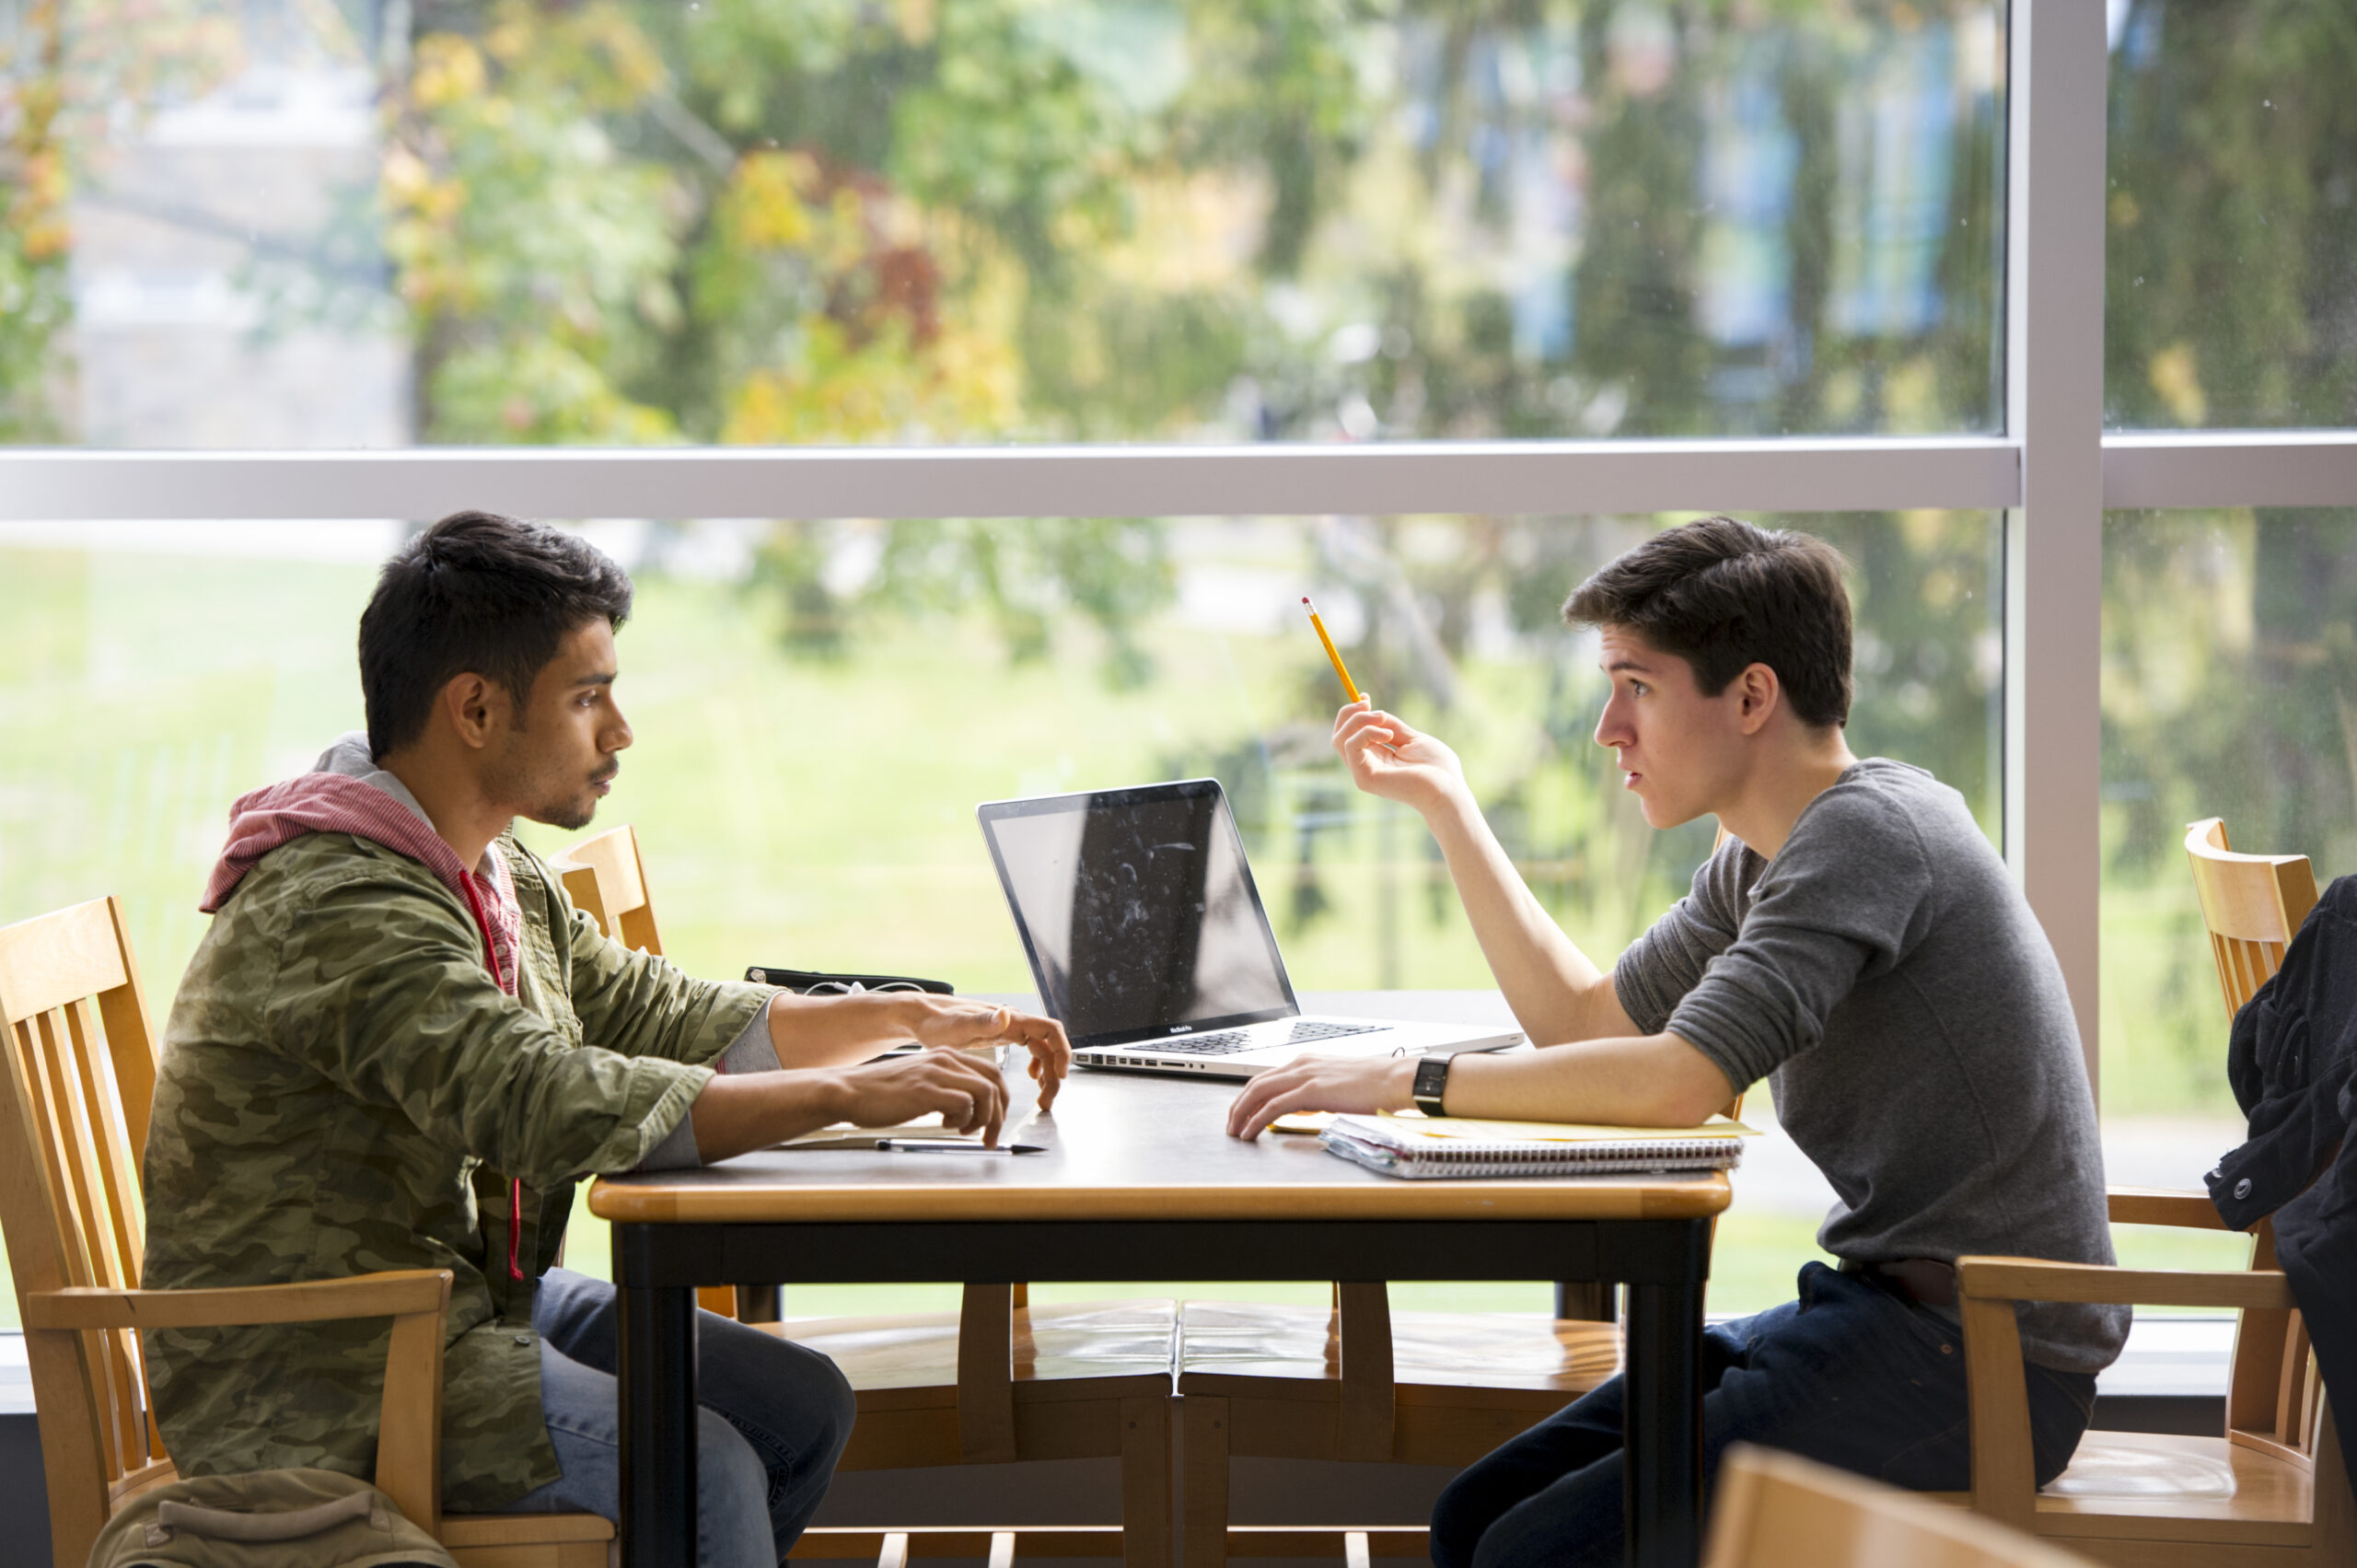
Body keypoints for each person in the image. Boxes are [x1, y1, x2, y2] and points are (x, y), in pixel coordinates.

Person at [141, 510, 1072, 1568]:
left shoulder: (481, 863)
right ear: (477, 709)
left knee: (798, 1402)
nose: (620, 729)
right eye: (588, 697)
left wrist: (898, 1018)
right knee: (706, 1459)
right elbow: (538, 1098)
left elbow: (647, 1009)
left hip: (463, 1306)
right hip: (325, 1365)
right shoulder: (345, 899)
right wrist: (850, 1096)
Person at [1224, 517, 2124, 1568]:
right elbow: (1589, 1022)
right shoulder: (1764, 853)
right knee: (1474, 1517)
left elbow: (1674, 1083)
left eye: (1636, 687)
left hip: (1981, 1359)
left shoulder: (1866, 838)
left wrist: (1408, 1079)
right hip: (1876, 1310)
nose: (1609, 727)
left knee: (1533, 1551)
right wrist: (1449, 803)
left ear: (1750, 697)